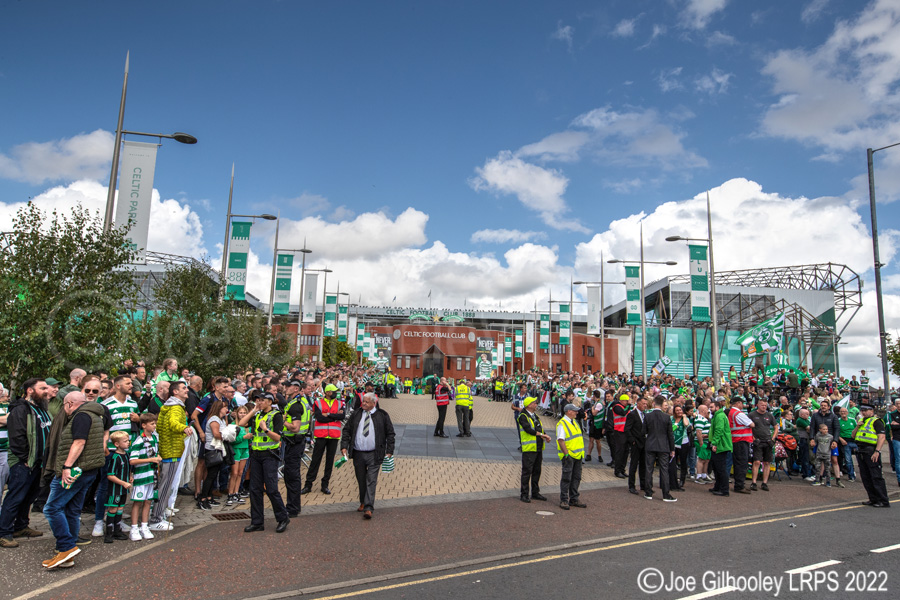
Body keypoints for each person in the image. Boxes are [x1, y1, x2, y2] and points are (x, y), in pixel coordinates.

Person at [40, 391, 108, 568]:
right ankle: (66, 555)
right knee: (72, 510)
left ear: (69, 403)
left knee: (52, 508)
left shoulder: (81, 416)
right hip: (88, 470)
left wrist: (66, 467)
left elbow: (79, 442)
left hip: (76, 470)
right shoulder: (95, 415)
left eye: (64, 405)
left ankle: (66, 547)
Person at [0, 378, 54, 548]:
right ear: (30, 390)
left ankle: (21, 526)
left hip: (38, 462)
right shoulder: (20, 409)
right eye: (42, 388)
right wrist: (25, 459)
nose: (47, 390)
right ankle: (4, 532)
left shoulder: (41, 408)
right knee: (15, 496)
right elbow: (16, 437)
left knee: (29, 497)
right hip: (24, 462)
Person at [92, 375, 139, 538]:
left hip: (127, 451)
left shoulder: (133, 403)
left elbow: (135, 425)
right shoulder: (106, 405)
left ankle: (116, 519)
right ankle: (99, 520)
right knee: (106, 485)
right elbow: (101, 427)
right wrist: (104, 447)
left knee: (122, 486)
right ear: (118, 386)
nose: (131, 385)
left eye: (131, 383)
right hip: (111, 451)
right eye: (128, 383)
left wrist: (138, 419)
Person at [239, 392, 290, 533]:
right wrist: (253, 411)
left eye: (262, 401)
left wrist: (265, 429)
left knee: (272, 488)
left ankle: (282, 517)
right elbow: (241, 423)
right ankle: (257, 522)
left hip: (269, 456)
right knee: (255, 489)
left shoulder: (276, 415)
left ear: (269, 402)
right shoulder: (257, 415)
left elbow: (277, 438)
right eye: (257, 400)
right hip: (256, 455)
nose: (259, 403)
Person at [340, 392, 395, 519]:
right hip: (358, 453)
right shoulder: (356, 414)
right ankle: (363, 501)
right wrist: (344, 446)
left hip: (374, 453)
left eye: (366, 402)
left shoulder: (382, 415)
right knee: (361, 479)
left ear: (373, 403)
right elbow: (347, 430)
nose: (363, 403)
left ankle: (369, 507)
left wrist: (389, 450)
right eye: (363, 401)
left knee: (371, 480)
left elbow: (390, 434)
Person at [148, 381, 193, 531]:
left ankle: (159, 514)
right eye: (184, 388)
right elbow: (174, 424)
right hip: (172, 451)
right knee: (166, 486)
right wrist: (184, 427)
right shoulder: (176, 407)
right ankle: (156, 519)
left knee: (164, 485)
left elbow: (161, 427)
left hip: (168, 449)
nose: (187, 390)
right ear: (175, 392)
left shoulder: (168, 406)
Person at [302, 384, 345, 495]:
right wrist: (334, 416)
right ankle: (308, 484)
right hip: (321, 435)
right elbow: (319, 417)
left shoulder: (340, 403)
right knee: (315, 460)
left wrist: (329, 414)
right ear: (327, 392)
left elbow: (342, 416)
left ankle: (325, 485)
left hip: (334, 436)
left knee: (329, 462)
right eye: (334, 391)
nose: (336, 393)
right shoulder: (318, 403)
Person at [128, 413, 160, 541]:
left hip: (152, 476)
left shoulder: (154, 438)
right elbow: (133, 460)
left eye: (155, 423)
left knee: (148, 501)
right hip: (141, 476)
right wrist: (151, 459)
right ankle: (134, 527)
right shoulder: (139, 441)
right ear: (144, 425)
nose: (154, 426)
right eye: (152, 424)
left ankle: (144, 526)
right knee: (138, 502)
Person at [282, 380, 311, 517]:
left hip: (294, 442)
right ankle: (294, 506)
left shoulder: (295, 405)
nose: (285, 388)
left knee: (291, 475)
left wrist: (283, 422)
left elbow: (295, 427)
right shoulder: (301, 401)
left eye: (287, 386)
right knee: (292, 474)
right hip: (296, 442)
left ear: (295, 389)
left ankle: (292, 508)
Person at [853, 403, 890, 508]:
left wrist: (877, 451)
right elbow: (853, 435)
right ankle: (873, 499)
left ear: (872, 411)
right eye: (862, 410)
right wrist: (857, 426)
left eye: (866, 410)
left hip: (871, 451)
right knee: (866, 477)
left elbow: (881, 437)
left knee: (876, 476)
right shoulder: (861, 422)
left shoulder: (876, 421)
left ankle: (883, 500)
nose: (863, 412)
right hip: (861, 451)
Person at [517, 396, 550, 503]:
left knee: (537, 470)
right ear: (529, 405)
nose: (536, 404)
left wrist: (545, 435)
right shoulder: (523, 416)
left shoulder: (535, 415)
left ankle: (535, 492)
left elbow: (539, 428)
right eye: (535, 403)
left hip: (538, 447)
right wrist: (542, 435)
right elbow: (529, 430)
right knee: (527, 471)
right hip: (529, 448)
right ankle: (524, 494)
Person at [644, 395, 676, 502]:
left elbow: (644, 431)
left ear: (654, 404)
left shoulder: (647, 416)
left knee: (649, 469)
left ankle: (648, 492)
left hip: (650, 444)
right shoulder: (666, 417)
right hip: (663, 445)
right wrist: (672, 449)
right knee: (664, 470)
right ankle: (666, 494)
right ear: (662, 405)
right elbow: (670, 435)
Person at [103, 431, 132, 543]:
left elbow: (128, 469)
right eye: (125, 441)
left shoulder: (126, 455)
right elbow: (110, 475)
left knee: (120, 508)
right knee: (113, 509)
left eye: (128, 440)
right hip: (115, 489)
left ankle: (117, 531)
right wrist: (123, 483)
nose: (128, 443)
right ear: (116, 444)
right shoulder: (115, 457)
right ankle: (109, 533)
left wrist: (130, 476)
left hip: (123, 490)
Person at [199, 400, 228, 510]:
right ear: (219, 408)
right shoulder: (214, 419)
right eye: (225, 407)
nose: (226, 410)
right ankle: (203, 498)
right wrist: (227, 436)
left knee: (214, 474)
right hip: (212, 450)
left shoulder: (219, 419)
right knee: (210, 475)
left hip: (218, 449)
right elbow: (216, 434)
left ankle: (209, 496)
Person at [556, 403, 585, 510]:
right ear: (569, 411)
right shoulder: (562, 424)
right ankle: (564, 499)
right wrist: (566, 454)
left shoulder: (575, 422)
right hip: (569, 455)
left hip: (577, 455)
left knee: (576, 477)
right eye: (575, 410)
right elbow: (561, 440)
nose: (577, 412)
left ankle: (574, 498)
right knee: (566, 478)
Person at [748, 399, 779, 491]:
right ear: (757, 405)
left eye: (765, 405)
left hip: (768, 441)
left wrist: (773, 438)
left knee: (767, 462)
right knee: (756, 461)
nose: (764, 407)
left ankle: (764, 483)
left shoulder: (769, 415)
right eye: (762, 405)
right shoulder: (752, 415)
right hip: (757, 441)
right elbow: (747, 427)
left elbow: (776, 427)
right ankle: (753, 482)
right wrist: (753, 439)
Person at [727, 397, 754, 495]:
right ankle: (739, 485)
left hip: (737, 440)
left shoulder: (731, 412)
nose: (743, 405)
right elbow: (751, 424)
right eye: (742, 403)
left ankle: (739, 484)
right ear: (738, 403)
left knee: (739, 464)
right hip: (741, 441)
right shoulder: (738, 413)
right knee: (742, 464)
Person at [226, 405, 252, 506]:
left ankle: (236, 493)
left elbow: (249, 439)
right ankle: (230, 494)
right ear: (237, 414)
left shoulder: (247, 426)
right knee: (234, 473)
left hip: (245, 449)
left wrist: (249, 437)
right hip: (236, 450)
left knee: (241, 473)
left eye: (244, 413)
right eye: (241, 413)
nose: (242, 415)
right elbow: (232, 440)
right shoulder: (233, 425)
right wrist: (244, 437)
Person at [708, 399, 732, 497]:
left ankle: (724, 489)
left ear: (717, 407)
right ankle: (718, 486)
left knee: (721, 468)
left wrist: (714, 443)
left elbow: (719, 430)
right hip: (720, 444)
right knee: (717, 467)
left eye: (712, 407)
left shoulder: (719, 416)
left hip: (721, 445)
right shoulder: (718, 416)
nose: (710, 409)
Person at [624, 396, 648, 495]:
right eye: (643, 404)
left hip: (644, 443)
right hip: (636, 443)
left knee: (643, 465)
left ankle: (643, 485)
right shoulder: (632, 414)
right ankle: (631, 486)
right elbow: (627, 429)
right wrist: (632, 441)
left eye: (646, 404)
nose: (645, 405)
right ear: (638, 403)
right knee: (633, 465)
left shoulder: (645, 415)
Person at [606, 392, 628, 478]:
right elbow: (623, 413)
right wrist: (629, 406)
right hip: (619, 431)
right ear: (622, 400)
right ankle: (617, 470)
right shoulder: (617, 407)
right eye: (626, 401)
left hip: (625, 431)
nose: (627, 402)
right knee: (620, 452)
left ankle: (622, 469)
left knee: (625, 452)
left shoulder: (625, 407)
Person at [692, 404, 712, 485]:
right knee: (701, 459)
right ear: (703, 411)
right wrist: (701, 443)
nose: (708, 411)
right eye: (707, 409)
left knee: (706, 459)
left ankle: (704, 475)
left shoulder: (704, 419)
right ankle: (699, 476)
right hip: (702, 442)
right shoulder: (700, 419)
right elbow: (698, 432)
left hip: (707, 442)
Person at [837, 407, 858, 482]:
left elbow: (857, 429)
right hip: (845, 441)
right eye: (841, 411)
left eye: (844, 411)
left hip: (854, 441)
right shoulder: (838, 421)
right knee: (848, 460)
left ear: (847, 412)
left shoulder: (852, 420)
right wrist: (841, 439)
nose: (843, 413)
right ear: (839, 413)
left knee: (860, 459)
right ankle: (851, 476)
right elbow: (836, 432)